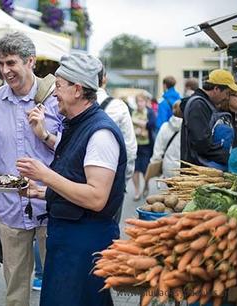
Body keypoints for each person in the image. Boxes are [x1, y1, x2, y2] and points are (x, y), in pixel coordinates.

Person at [16, 53, 127, 306]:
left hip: (85, 243)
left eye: (58, 85)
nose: (54, 93)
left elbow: (97, 198)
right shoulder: (76, 124)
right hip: (70, 240)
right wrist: (43, 192)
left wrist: (45, 175)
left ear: (77, 90)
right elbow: (76, 176)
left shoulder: (100, 132)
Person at [0, 32, 62, 306]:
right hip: (10, 207)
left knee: (57, 283)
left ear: (30, 61)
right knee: (15, 289)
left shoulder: (55, 100)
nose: (5, 70)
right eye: (0, 63)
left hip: (50, 204)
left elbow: (71, 150)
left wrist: (45, 134)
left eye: (11, 63)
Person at [96, 65, 137, 221]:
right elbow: (130, 149)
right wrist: (124, 180)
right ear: (104, 79)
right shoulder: (118, 106)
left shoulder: (74, 105)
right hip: (113, 179)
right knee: (109, 233)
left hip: (79, 182)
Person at [180, 69, 237, 168]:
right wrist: (225, 156)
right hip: (197, 171)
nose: (227, 98)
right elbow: (201, 143)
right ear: (216, 89)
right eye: (227, 93)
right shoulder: (198, 105)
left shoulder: (206, 104)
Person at [132, 92, 156, 200]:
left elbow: (151, 124)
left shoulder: (150, 112)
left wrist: (137, 122)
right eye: (138, 102)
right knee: (135, 169)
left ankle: (146, 184)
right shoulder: (133, 112)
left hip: (146, 145)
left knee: (145, 169)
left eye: (141, 101)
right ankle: (137, 191)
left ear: (145, 102)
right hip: (135, 145)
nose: (139, 104)